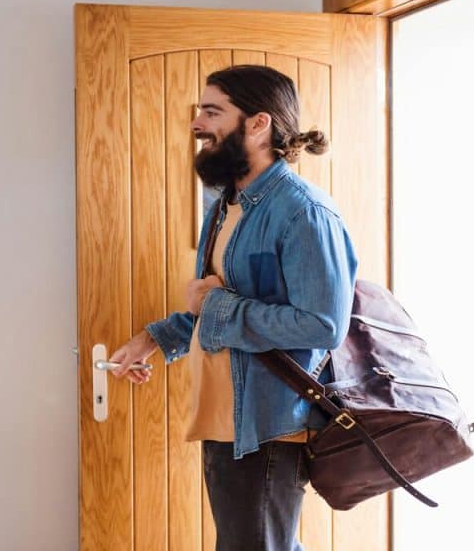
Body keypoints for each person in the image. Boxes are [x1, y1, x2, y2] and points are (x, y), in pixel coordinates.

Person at [108, 65, 357, 551]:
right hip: (227, 422)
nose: (197, 122)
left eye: (212, 111)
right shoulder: (227, 206)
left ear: (259, 123)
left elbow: (323, 325)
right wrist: (154, 340)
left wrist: (217, 305)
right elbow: (220, 309)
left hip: (268, 427)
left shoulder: (305, 211)